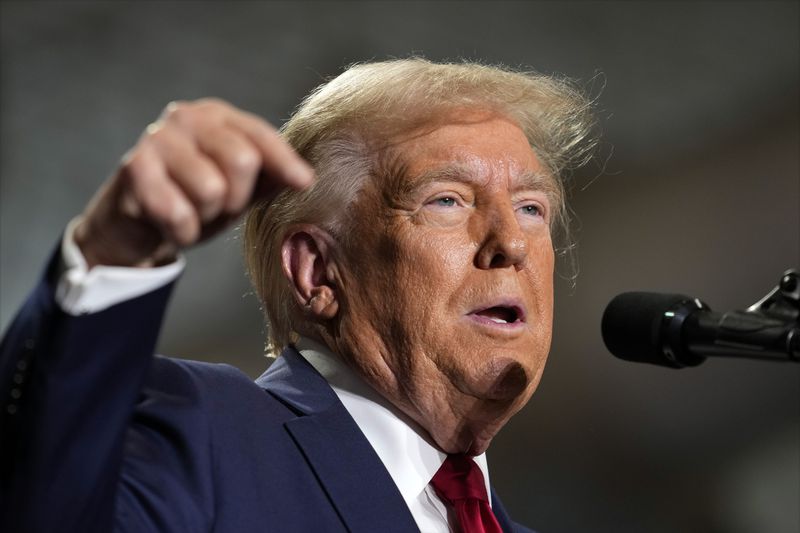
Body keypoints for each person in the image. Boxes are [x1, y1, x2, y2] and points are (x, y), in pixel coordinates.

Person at [0, 58, 595, 532]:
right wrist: (114, 253)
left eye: (530, 208)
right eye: (447, 200)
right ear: (316, 271)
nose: (511, 243)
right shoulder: (207, 438)